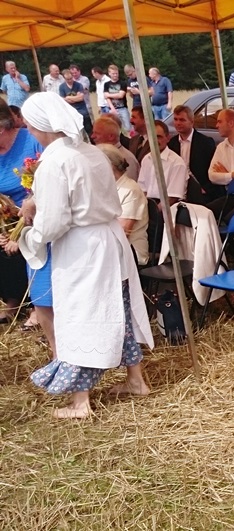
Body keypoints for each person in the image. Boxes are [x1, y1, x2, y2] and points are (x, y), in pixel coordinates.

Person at [18, 92, 153, 419]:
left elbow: (54, 221)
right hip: (109, 239)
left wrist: (29, 235)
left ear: (40, 125)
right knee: (118, 307)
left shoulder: (55, 162)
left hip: (83, 248)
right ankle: (136, 380)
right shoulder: (92, 151)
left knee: (79, 317)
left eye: (30, 125)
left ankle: (81, 402)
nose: (29, 130)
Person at [0, 99, 42, 325]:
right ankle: (12, 300)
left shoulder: (32, 141)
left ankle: (38, 305)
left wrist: (22, 229)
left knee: (29, 242)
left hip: (37, 213)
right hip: (7, 218)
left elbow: (47, 184)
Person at [97, 144, 149, 266]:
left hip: (130, 251)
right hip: (106, 246)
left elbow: (123, 232)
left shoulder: (131, 189)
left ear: (109, 166)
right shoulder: (104, 187)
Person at [168, 104, 222, 205]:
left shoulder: (205, 142)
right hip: (178, 189)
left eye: (182, 120)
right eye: (175, 119)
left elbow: (213, 168)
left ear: (192, 122)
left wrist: (205, 189)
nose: (178, 123)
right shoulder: (172, 143)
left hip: (200, 190)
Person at [138, 120, 189, 207]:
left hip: (170, 207)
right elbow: (142, 190)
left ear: (168, 138)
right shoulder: (146, 159)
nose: (155, 140)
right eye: (152, 136)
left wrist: (154, 212)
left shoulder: (177, 163)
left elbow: (172, 198)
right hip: (149, 204)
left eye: (159, 137)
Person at [91, 116, 140, 182]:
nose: (92, 136)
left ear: (111, 136)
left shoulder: (127, 158)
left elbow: (128, 184)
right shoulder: (101, 155)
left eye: (97, 133)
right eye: (93, 133)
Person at [59, 68, 93, 138]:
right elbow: (63, 100)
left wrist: (68, 97)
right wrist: (75, 98)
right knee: (76, 132)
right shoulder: (62, 87)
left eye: (71, 78)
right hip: (70, 111)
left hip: (82, 110)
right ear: (64, 79)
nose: (70, 80)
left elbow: (81, 98)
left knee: (89, 130)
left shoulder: (78, 85)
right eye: (67, 79)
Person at [104, 65, 130, 133]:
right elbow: (107, 98)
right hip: (112, 109)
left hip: (122, 108)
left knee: (128, 127)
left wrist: (109, 95)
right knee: (116, 129)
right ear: (109, 73)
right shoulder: (106, 84)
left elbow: (121, 95)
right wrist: (112, 108)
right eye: (113, 73)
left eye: (116, 73)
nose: (115, 75)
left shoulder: (122, 83)